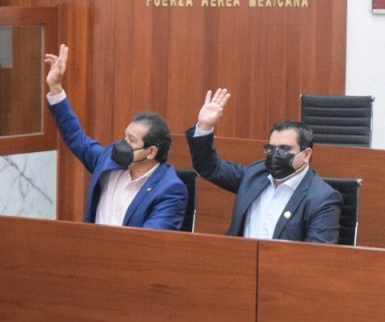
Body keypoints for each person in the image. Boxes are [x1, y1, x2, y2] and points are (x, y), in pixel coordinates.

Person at [43, 44, 187, 230]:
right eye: (125, 137)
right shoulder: (109, 160)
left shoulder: (170, 189)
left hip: (128, 249)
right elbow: (76, 138)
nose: (122, 144)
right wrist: (55, 87)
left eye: (131, 140)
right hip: (90, 245)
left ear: (151, 152)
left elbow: (151, 240)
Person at [185, 88, 343, 243]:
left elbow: (317, 254)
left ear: (306, 154)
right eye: (271, 148)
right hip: (240, 258)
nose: (276, 154)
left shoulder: (322, 198)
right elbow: (208, 167)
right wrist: (204, 127)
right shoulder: (255, 174)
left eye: (284, 149)